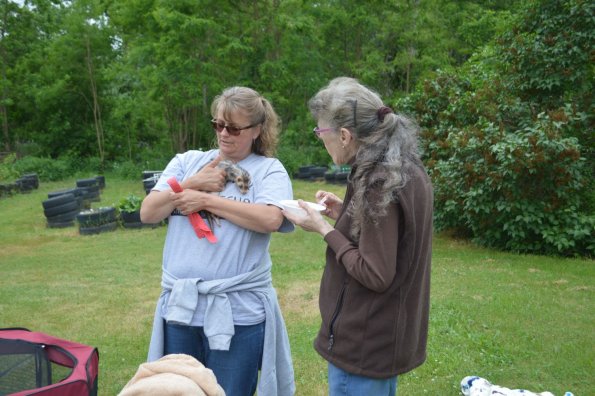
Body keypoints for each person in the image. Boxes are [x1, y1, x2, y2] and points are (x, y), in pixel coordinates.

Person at [282, 77, 433, 396]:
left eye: (321, 132)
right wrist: (347, 212)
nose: (321, 139)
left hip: (364, 346)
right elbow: (392, 236)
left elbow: (376, 274)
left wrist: (323, 229)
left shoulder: (380, 181)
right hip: (383, 340)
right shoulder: (404, 168)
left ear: (346, 135)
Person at [140, 86, 296, 396]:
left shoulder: (268, 170)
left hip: (238, 313)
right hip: (182, 309)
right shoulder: (187, 162)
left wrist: (205, 201)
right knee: (177, 391)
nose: (224, 134)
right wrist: (190, 184)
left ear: (257, 130)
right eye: (218, 125)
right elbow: (148, 212)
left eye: (234, 128)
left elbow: (270, 219)